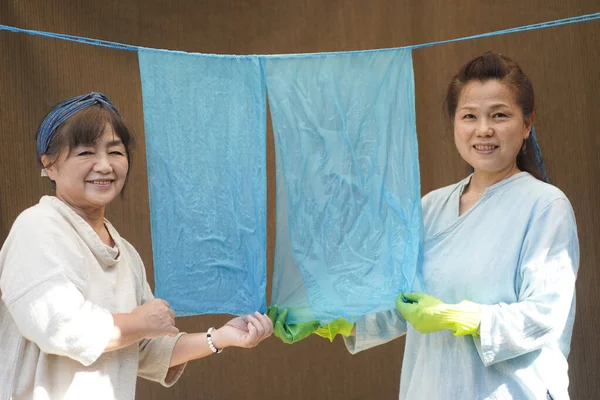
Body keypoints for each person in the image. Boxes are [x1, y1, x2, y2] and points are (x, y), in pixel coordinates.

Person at [270, 52, 579, 400]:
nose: (483, 129)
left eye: (500, 115)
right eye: (469, 116)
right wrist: (332, 318)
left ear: (527, 124)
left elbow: (545, 315)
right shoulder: (429, 208)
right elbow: (397, 308)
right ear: (454, 124)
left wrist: (464, 318)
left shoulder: (546, 206)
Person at [0, 92, 273, 400]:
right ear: (49, 165)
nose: (104, 165)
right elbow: (57, 326)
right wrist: (136, 322)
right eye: (85, 153)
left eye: (115, 152)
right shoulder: (37, 227)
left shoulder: (126, 252)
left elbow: (145, 347)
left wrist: (221, 337)